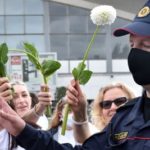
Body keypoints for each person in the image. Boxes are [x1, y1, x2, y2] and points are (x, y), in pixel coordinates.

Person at [1, 0, 150, 149]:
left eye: (146, 45)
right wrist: (19, 128)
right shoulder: (124, 117)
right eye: (132, 45)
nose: (135, 54)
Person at [0, 78, 51, 149]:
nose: (21, 100)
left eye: (24, 95)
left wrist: (40, 107)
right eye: (15, 97)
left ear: (30, 98)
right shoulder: (3, 124)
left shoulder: (42, 119)